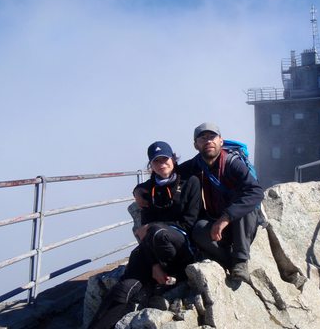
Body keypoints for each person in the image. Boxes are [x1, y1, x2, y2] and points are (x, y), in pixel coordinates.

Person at [89, 141, 201, 329]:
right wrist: (154, 265)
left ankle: (175, 277)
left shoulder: (190, 182)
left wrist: (155, 226)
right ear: (151, 165)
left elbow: (189, 223)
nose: (161, 164)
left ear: (173, 159)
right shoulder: (147, 190)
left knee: (157, 232)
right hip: (152, 249)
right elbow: (143, 234)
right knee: (124, 288)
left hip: (180, 245)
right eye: (156, 161)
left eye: (165, 159)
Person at [180, 122, 264, 283]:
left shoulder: (233, 163)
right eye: (202, 138)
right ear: (196, 145)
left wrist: (225, 218)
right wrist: (142, 189)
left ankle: (240, 261)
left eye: (212, 136)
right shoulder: (197, 164)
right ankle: (228, 261)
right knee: (198, 229)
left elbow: (256, 192)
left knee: (244, 207)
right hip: (219, 224)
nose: (208, 141)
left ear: (221, 141)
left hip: (243, 222)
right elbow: (171, 172)